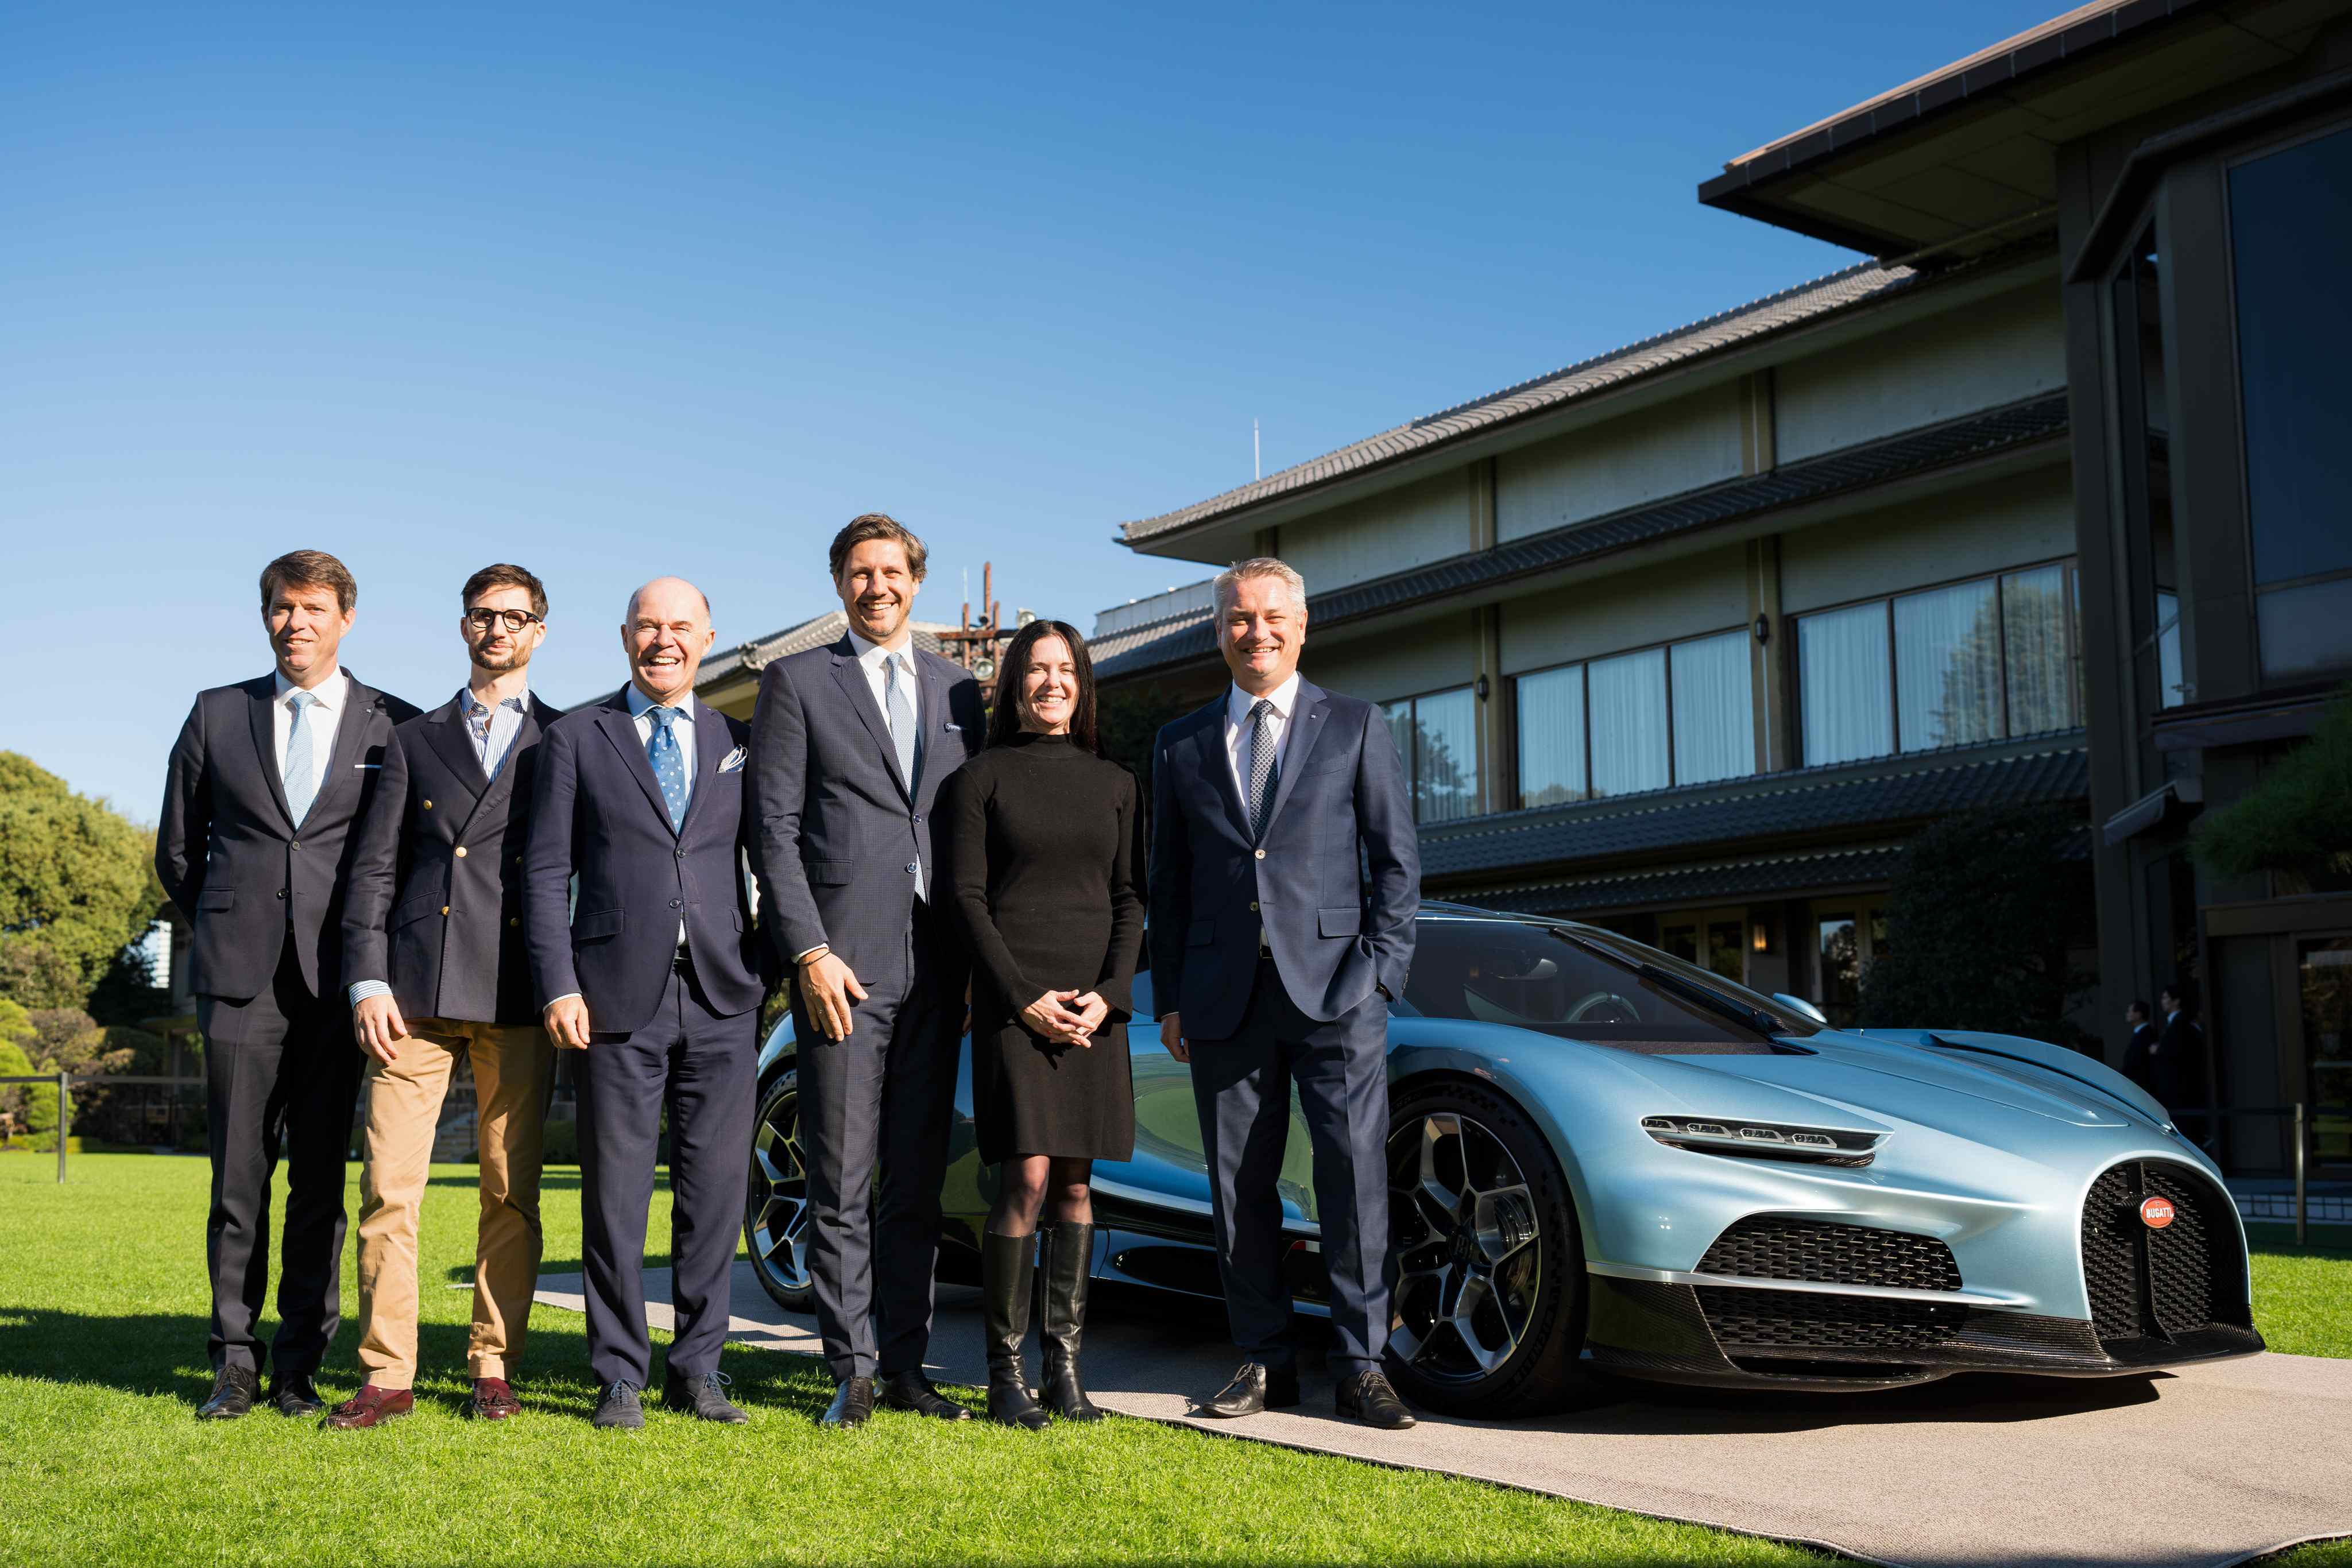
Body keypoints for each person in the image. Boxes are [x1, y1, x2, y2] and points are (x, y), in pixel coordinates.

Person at [1147, 556, 1420, 1431]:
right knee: (1239, 1186)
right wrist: (1172, 996)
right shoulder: (1181, 741)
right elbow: (1169, 880)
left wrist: (1381, 972)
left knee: (1353, 1178)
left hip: (1339, 992)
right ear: (1218, 630)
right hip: (1222, 996)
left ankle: (1362, 1364)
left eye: (1271, 616)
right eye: (1239, 617)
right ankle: (1263, 1357)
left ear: (1302, 627)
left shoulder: (1356, 724)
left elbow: (1396, 863)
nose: (1255, 631)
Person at [156, 549, 419, 1421]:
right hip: (238, 980)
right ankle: (234, 1360)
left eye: (312, 608)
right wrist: (227, 919)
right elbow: (178, 849)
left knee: (318, 1182)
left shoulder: (392, 725)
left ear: (346, 618)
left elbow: (400, 858)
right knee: (237, 1180)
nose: (295, 622)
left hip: (340, 984)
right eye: (281, 607)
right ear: (265, 614)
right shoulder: (216, 712)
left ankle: (300, 1363)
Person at [747, 513, 987, 1430]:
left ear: (915, 581)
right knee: (842, 1180)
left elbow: (972, 824)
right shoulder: (798, 680)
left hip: (939, 970)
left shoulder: (959, 688)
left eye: (891, 571)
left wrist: (979, 966)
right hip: (842, 966)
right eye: (859, 572)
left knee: (916, 1184)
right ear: (839, 583)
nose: (876, 586)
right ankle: (850, 1371)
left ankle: (905, 1367)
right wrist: (809, 952)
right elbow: (773, 830)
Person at [524, 576, 769, 1431]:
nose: (664, 640)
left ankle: (698, 1368)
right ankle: (619, 1373)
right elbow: (544, 871)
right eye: (648, 626)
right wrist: (559, 982)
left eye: (680, 626)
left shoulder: (739, 741)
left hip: (723, 993)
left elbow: (772, 857)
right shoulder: (575, 737)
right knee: (615, 1197)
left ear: (708, 637)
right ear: (625, 636)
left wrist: (773, 964)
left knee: (714, 1194)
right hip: (611, 999)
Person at [326, 564, 563, 1430]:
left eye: (515, 617)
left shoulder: (567, 737)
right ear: (464, 626)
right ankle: (387, 1374)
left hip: (518, 988)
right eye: (483, 615)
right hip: (414, 993)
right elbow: (373, 868)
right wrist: (367, 977)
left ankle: (493, 1365)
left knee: (510, 1190)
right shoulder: (413, 737)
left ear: (540, 630)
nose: (498, 629)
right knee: (389, 1187)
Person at [941, 620, 1145, 1428]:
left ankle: (1064, 1370)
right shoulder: (978, 779)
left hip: (1093, 1011)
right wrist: (1021, 996)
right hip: (1013, 1005)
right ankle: (1006, 1376)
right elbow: (965, 899)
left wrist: (1110, 994)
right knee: (1024, 1178)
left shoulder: (1118, 783)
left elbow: (1129, 897)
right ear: (1013, 684)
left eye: (1066, 669)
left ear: (1082, 684)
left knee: (1076, 1183)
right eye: (1037, 668)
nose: (1052, 682)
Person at [2121, 999, 2160, 1098]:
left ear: (2138, 1015)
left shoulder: (2147, 1034)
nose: (2127, 1014)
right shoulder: (2141, 1033)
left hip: (2143, 1086)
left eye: (2130, 1011)